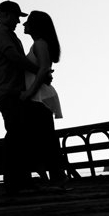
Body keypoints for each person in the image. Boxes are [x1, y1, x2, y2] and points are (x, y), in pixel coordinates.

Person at [0, 0, 43, 194]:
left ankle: (19, 179)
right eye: (16, 17)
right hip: (9, 91)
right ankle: (15, 181)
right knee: (17, 133)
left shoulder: (3, 33)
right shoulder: (0, 33)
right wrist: (40, 71)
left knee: (19, 133)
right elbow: (14, 57)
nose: (18, 22)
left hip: (10, 91)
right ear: (5, 15)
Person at [22, 10, 70, 189]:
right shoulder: (39, 44)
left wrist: (29, 93)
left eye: (27, 22)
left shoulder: (40, 44)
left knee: (46, 140)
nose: (24, 25)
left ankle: (58, 178)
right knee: (44, 138)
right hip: (40, 96)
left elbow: (43, 70)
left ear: (35, 25)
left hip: (40, 97)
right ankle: (54, 178)